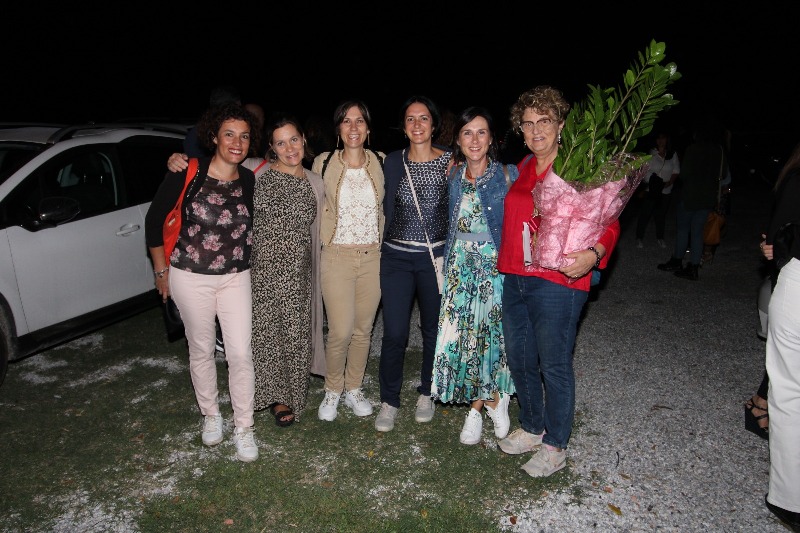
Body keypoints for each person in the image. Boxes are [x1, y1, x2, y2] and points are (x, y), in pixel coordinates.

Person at [496, 86, 620, 477]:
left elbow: (610, 220)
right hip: (516, 275)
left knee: (554, 363)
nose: (536, 130)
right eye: (528, 123)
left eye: (544, 121)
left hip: (557, 281)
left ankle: (555, 445)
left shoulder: (579, 167)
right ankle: (533, 426)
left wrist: (594, 255)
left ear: (561, 125)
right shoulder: (524, 166)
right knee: (520, 358)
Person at [144, 103, 260, 462]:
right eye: (229, 134)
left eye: (244, 136)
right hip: (189, 276)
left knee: (240, 353)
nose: (237, 143)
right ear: (214, 137)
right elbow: (153, 223)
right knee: (202, 349)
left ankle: (244, 426)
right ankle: (211, 416)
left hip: (236, 277)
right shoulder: (187, 171)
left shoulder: (248, 179)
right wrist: (161, 272)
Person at [430, 106, 518, 445]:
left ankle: (477, 409)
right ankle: (495, 399)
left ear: (492, 138)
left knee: (489, 338)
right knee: (462, 338)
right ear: (458, 139)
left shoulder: (507, 175)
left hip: (493, 269)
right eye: (467, 133)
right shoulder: (453, 175)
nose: (475, 139)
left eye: (482, 132)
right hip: (459, 269)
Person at [375, 95, 453, 432]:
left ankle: (427, 392)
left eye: (423, 118)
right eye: (410, 118)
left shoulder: (451, 161)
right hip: (396, 257)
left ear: (434, 124)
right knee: (394, 332)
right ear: (403, 126)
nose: (417, 124)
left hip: (435, 258)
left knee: (433, 328)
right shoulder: (392, 161)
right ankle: (389, 400)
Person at [311, 100, 385, 421]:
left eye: (359, 121)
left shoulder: (382, 161)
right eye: (346, 121)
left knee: (362, 330)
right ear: (338, 129)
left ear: (368, 128)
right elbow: (292, 176)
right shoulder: (323, 162)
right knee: (340, 330)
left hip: (373, 258)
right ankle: (332, 389)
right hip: (336, 256)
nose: (353, 127)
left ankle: (354, 388)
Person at [250, 115, 325, 426]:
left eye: (294, 139)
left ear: (303, 139)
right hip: (262, 272)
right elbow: (218, 165)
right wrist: (181, 160)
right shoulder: (257, 175)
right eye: (281, 143)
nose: (290, 148)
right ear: (272, 147)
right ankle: (276, 398)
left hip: (298, 273)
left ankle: (294, 393)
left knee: (296, 335)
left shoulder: (315, 181)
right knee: (267, 335)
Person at [759, 140, 800, 530]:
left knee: (789, 391)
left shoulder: (796, 177)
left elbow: (776, 240)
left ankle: (790, 499)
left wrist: (775, 246)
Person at [657, 117, 728, 280]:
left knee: (683, 229)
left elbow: (684, 174)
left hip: (690, 196)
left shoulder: (693, 149)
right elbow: (723, 174)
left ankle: (677, 260)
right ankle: (694, 266)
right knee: (697, 232)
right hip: (708, 197)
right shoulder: (719, 150)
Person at [635, 130, 680, 249]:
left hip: (666, 189)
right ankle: (639, 237)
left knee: (661, 215)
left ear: (667, 139)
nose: (660, 141)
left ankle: (660, 237)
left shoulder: (672, 154)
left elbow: (676, 170)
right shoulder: (651, 153)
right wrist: (654, 182)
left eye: (663, 138)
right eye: (658, 138)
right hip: (651, 189)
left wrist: (669, 182)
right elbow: (644, 171)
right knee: (645, 214)